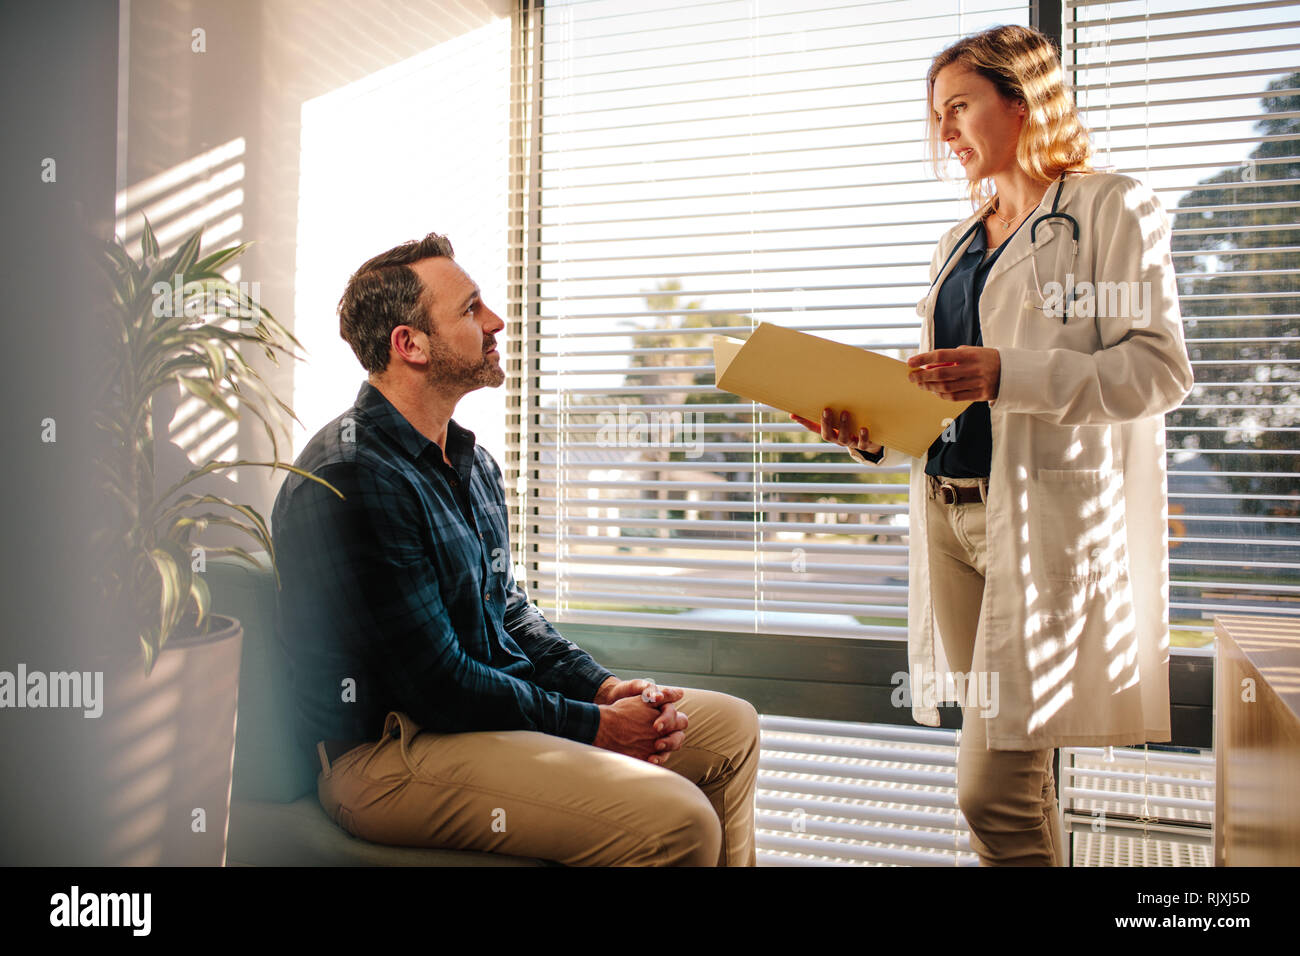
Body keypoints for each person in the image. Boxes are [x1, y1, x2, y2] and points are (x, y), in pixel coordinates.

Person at [793, 24, 1194, 866]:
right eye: (936, 114)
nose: (943, 132)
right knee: (1010, 786)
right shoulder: (957, 245)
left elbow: (1158, 371)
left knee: (992, 791)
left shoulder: (1110, 207)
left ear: (1023, 101)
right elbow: (946, 401)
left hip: (1041, 522)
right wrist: (864, 429)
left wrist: (1008, 372)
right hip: (949, 517)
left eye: (959, 107)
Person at [270, 233, 760, 866]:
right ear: (409, 344)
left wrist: (604, 689)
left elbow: (510, 614)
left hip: (470, 724)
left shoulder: (472, 465)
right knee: (680, 821)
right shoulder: (353, 474)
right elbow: (435, 683)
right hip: (388, 754)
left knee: (731, 728)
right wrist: (597, 728)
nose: (496, 321)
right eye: (471, 309)